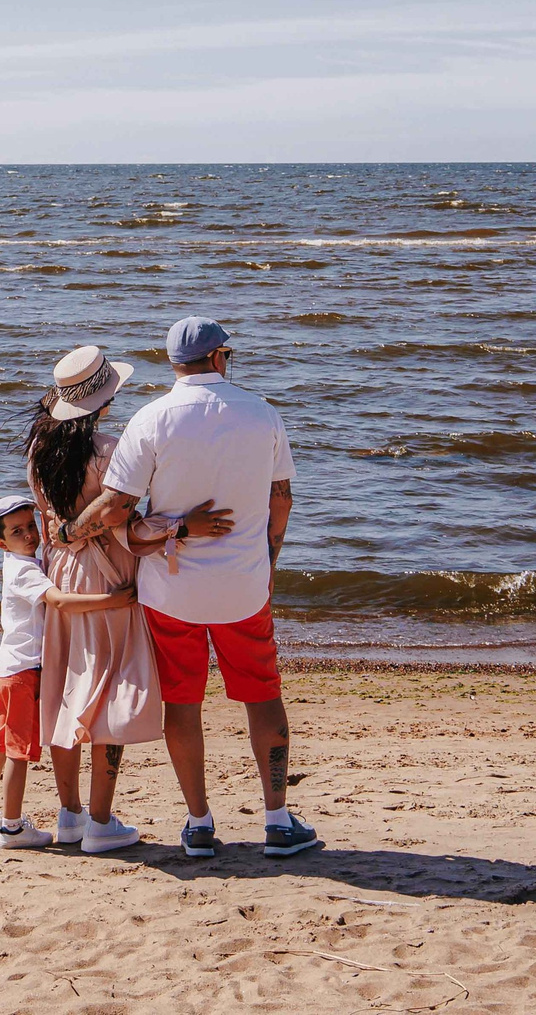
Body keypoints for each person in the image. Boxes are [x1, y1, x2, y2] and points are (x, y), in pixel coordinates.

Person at [64, 315, 317, 861]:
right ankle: (277, 820)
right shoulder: (262, 413)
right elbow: (282, 499)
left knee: (183, 700)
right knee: (262, 695)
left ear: (174, 364)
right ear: (222, 357)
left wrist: (66, 533)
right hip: (243, 589)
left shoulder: (151, 419)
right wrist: (268, 560)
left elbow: (116, 508)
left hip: (170, 592)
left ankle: (199, 823)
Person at [23, 344, 234, 853]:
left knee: (68, 688)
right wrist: (184, 527)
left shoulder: (38, 453)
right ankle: (100, 821)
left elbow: (52, 526)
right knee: (109, 693)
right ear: (104, 401)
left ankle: (69, 814)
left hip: (64, 574)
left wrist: (69, 533)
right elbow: (124, 521)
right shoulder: (110, 451)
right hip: (109, 573)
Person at [0, 492, 136, 851]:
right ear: (1, 542)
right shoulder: (25, 570)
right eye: (18, 531)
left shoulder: (23, 562)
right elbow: (59, 601)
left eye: (32, 526)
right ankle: (12, 827)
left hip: (7, 668)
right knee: (18, 750)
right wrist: (111, 600)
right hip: (25, 670)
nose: (29, 534)